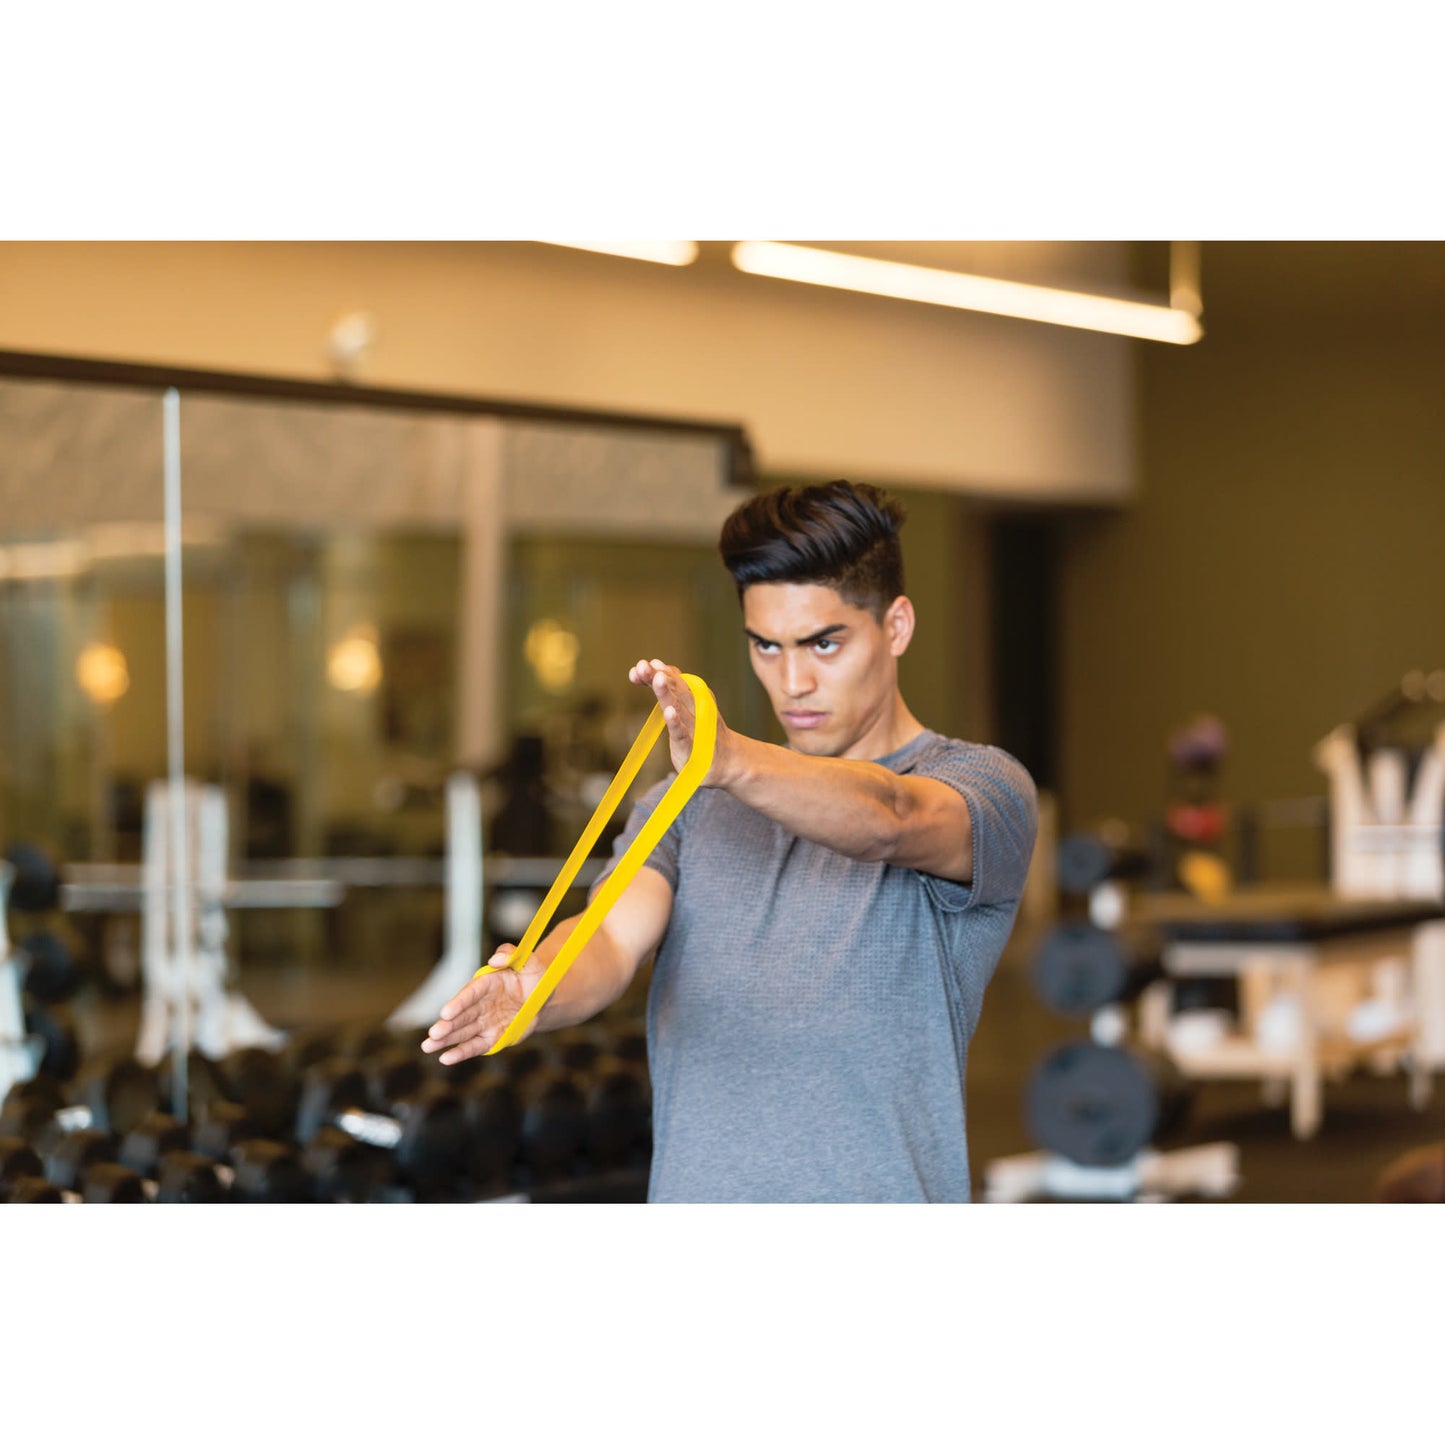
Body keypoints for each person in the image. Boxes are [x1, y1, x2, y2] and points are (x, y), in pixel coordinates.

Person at [423, 480, 1038, 1202]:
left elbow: (892, 818)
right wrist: (533, 988)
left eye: (824, 643)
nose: (793, 680)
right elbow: (608, 941)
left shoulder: (982, 785)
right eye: (765, 646)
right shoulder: (688, 806)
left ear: (895, 626)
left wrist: (728, 759)